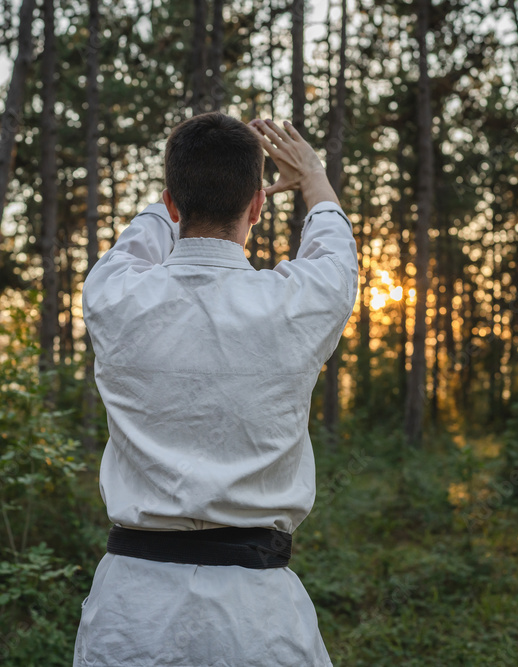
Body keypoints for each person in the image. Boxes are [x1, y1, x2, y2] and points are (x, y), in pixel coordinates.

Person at [73, 112, 358, 666]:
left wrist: (174, 194)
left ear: (172, 204)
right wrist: (313, 178)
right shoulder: (295, 304)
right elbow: (334, 254)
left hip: (130, 620)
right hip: (259, 625)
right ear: (257, 206)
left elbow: (139, 239)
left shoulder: (112, 294)